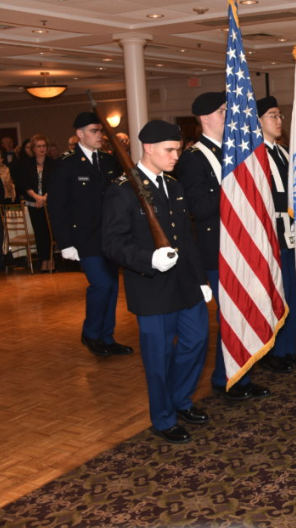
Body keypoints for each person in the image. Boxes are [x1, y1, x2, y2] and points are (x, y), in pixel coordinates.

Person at [102, 120, 212, 444]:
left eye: (178, 149)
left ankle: (180, 400)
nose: (176, 155)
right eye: (170, 150)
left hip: (185, 284)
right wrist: (148, 259)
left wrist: (201, 279)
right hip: (151, 288)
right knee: (158, 358)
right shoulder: (122, 189)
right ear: (148, 148)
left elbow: (187, 239)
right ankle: (163, 418)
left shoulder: (174, 186)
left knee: (196, 342)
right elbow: (111, 242)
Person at [174, 91, 272, 401]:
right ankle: (228, 378)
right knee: (229, 316)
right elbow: (199, 207)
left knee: (243, 312)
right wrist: (234, 183)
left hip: (245, 244)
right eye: (221, 111)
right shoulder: (193, 158)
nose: (228, 115)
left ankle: (237, 374)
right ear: (204, 118)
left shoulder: (236, 152)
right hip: (217, 250)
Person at [48, 112, 131, 357]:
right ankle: (91, 333)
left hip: (110, 236)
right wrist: (65, 243)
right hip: (84, 238)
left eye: (101, 131)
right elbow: (57, 206)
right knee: (102, 284)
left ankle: (107, 336)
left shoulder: (108, 161)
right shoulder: (66, 163)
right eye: (94, 131)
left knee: (113, 287)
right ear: (80, 134)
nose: (100, 136)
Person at [256, 95, 296, 363]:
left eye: (280, 116)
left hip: (290, 233)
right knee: (275, 293)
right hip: (270, 235)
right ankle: (274, 351)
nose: (279, 121)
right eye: (273, 116)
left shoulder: (282, 152)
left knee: (290, 290)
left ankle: (288, 348)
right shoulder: (254, 156)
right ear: (258, 121)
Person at [13, 134, 54, 272]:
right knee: (39, 232)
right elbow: (24, 183)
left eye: (44, 146)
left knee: (50, 232)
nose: (42, 149)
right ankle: (43, 261)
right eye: (38, 146)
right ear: (33, 148)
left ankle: (51, 259)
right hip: (33, 202)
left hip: (49, 203)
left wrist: (44, 198)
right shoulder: (27, 164)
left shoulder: (53, 163)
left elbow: (55, 183)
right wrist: (36, 197)